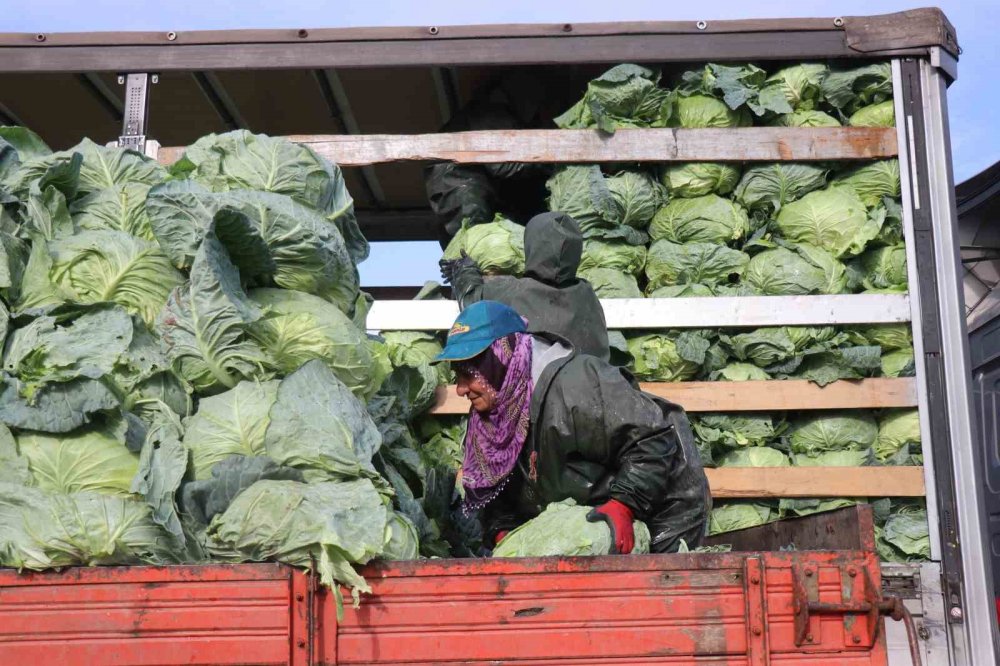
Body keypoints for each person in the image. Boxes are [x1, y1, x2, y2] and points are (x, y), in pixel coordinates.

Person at [433, 300, 710, 554]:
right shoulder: (496, 416)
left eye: (469, 375)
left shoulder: (576, 386)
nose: (459, 389)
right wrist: (504, 532)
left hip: (663, 512)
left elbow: (653, 437)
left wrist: (624, 505)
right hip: (589, 520)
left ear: (500, 360)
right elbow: (496, 487)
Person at [440, 211, 611, 362]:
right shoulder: (587, 295)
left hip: (541, 394)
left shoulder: (513, 291)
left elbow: (472, 302)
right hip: (592, 389)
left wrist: (464, 271)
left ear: (530, 245)